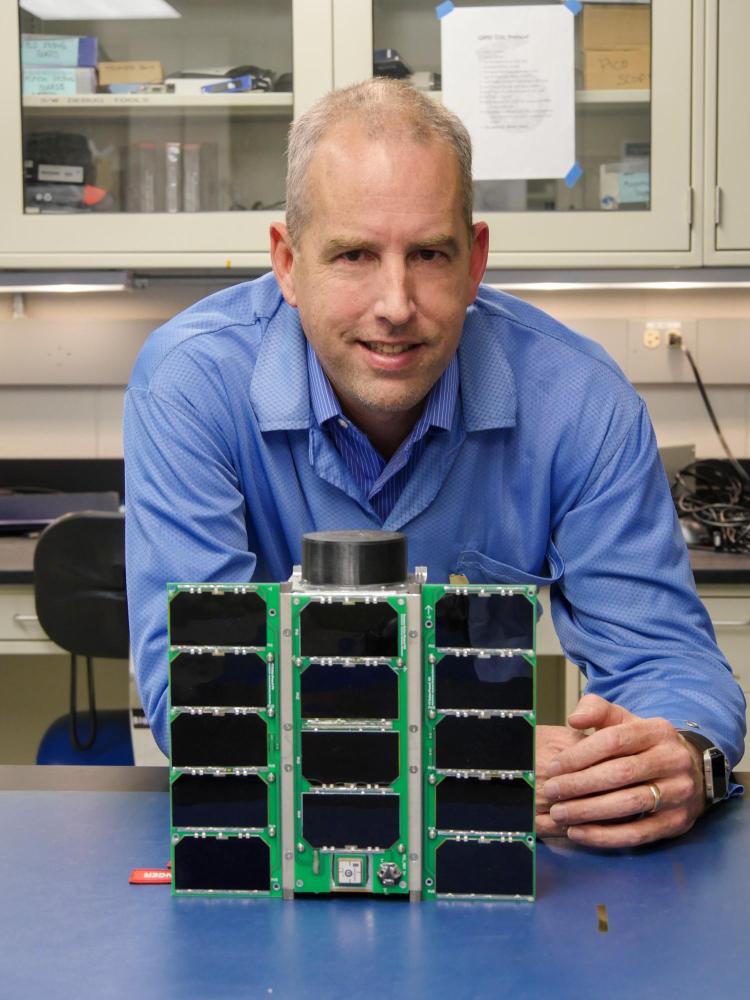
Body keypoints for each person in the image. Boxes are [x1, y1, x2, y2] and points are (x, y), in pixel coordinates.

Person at [124, 78, 745, 849]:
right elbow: (198, 695)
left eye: (428, 254)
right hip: (285, 847)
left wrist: (683, 750)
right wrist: (473, 755)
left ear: (475, 259)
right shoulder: (191, 382)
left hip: (497, 866)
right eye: (353, 255)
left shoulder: (580, 401)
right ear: (287, 263)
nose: (395, 302)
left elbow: (664, 657)